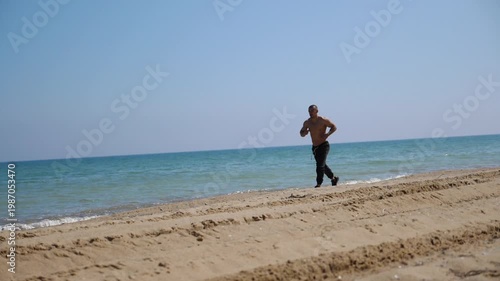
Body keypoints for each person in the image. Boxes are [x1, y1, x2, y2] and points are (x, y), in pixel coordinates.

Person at [300, 105, 339, 188]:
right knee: (322, 165)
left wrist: (327, 134)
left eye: (312, 111)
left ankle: (319, 183)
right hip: (315, 148)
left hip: (324, 146)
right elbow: (301, 133)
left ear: (317, 111)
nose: (310, 113)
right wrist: (304, 133)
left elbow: (334, 127)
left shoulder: (323, 120)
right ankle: (333, 178)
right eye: (309, 111)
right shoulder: (307, 122)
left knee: (320, 165)